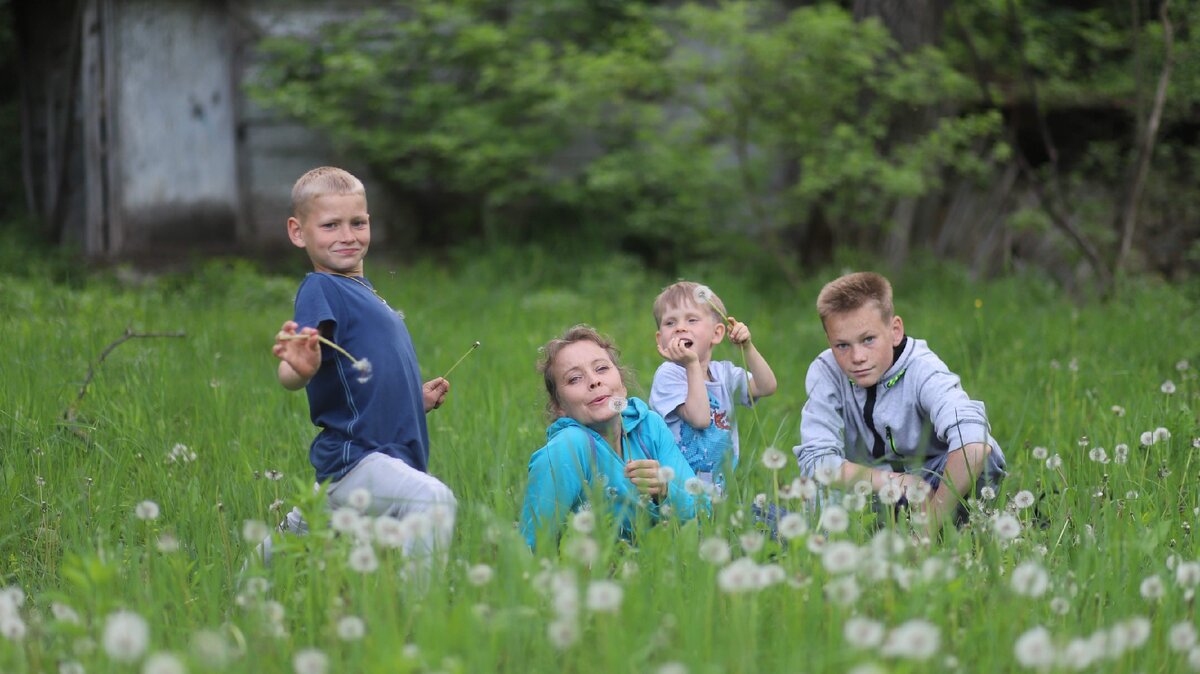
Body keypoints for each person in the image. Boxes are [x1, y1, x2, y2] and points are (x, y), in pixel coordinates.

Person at [266, 166, 456, 563]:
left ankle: (242, 592)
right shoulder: (322, 287)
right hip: (357, 459)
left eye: (357, 223)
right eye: (331, 225)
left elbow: (361, 387)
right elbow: (293, 369)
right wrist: (297, 370)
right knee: (433, 500)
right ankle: (415, 618)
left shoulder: (364, 293)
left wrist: (412, 400)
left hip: (369, 460)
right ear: (298, 232)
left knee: (280, 557)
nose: (347, 236)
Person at [793, 271, 1005, 530]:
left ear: (895, 331)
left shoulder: (923, 369)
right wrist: (894, 481)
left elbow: (975, 444)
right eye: (842, 345)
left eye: (868, 339)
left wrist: (930, 522)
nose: (857, 356)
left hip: (935, 487)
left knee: (986, 459)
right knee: (816, 493)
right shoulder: (825, 371)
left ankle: (956, 529)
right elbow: (816, 461)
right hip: (871, 489)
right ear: (829, 341)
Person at [520, 325, 705, 551]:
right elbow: (530, 547)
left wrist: (665, 491)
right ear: (559, 407)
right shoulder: (567, 448)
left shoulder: (650, 427)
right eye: (575, 379)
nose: (594, 381)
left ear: (623, 385)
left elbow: (704, 512)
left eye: (601, 368)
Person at [649, 281, 777, 491]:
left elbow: (766, 386)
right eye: (670, 323)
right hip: (678, 490)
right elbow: (700, 419)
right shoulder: (668, 375)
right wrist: (692, 364)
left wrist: (748, 348)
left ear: (716, 334)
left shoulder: (723, 374)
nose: (680, 327)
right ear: (660, 339)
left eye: (692, 320)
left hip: (719, 491)